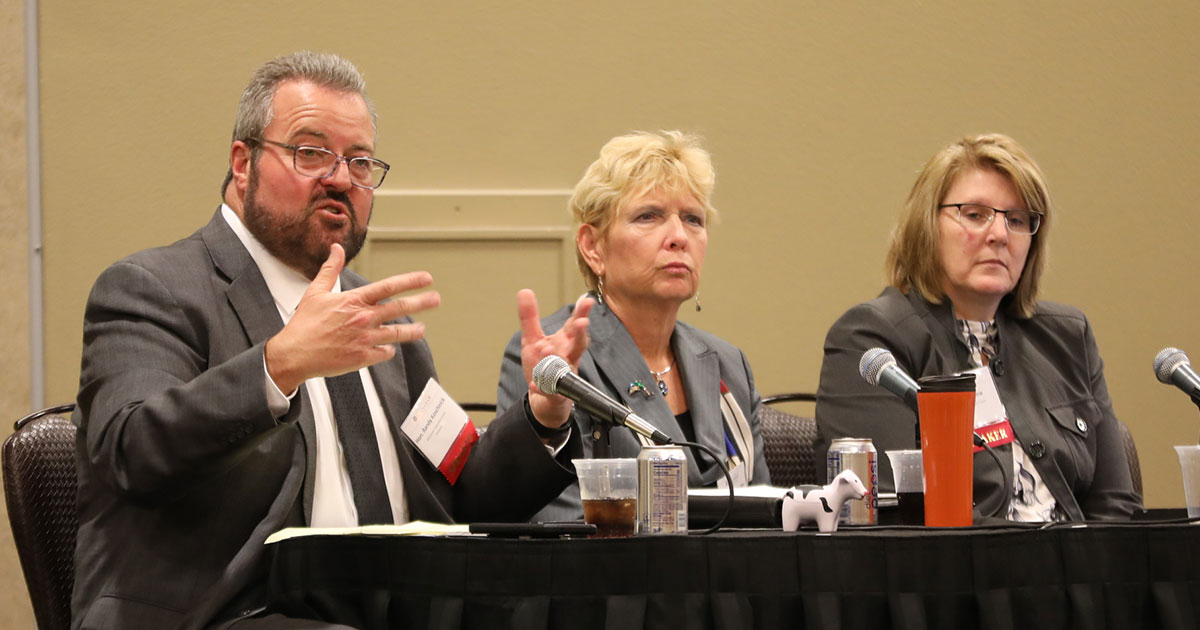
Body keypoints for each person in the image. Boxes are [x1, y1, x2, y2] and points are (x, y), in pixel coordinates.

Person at [72, 51, 591, 630]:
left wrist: (541, 416)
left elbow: (460, 492)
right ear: (242, 163)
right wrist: (278, 364)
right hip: (230, 613)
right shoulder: (154, 289)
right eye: (310, 152)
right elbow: (129, 450)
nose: (341, 178)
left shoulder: (371, 315)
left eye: (361, 162)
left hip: (396, 606)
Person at [815, 133, 1139, 522]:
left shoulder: (1068, 338)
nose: (1000, 235)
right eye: (974, 214)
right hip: (959, 577)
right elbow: (891, 515)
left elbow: (1116, 507)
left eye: (1017, 220)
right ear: (926, 226)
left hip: (1082, 574)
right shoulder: (871, 339)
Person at [497, 130, 769, 522]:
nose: (678, 237)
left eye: (693, 219)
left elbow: (768, 514)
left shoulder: (729, 364)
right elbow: (559, 523)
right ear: (593, 247)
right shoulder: (556, 363)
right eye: (648, 216)